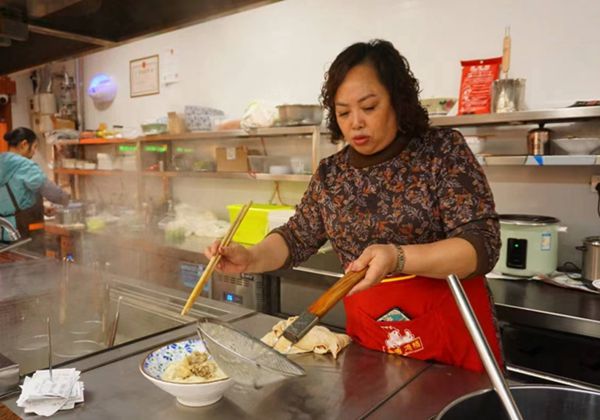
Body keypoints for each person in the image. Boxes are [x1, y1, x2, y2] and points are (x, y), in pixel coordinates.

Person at [206, 40, 502, 372]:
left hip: (452, 336)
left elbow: (482, 246)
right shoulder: (332, 174)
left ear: (397, 101)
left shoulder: (441, 151)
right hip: (374, 340)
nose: (355, 122)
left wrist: (398, 257)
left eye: (369, 107)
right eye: (344, 112)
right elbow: (295, 237)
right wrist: (251, 256)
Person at [0, 127, 70, 242]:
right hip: (22, 231)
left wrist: (41, 208)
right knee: (31, 260)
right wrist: (68, 200)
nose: (34, 152)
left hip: (5, 231)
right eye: (35, 147)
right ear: (24, 144)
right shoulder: (25, 166)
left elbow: (12, 197)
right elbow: (49, 190)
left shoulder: (2, 162)